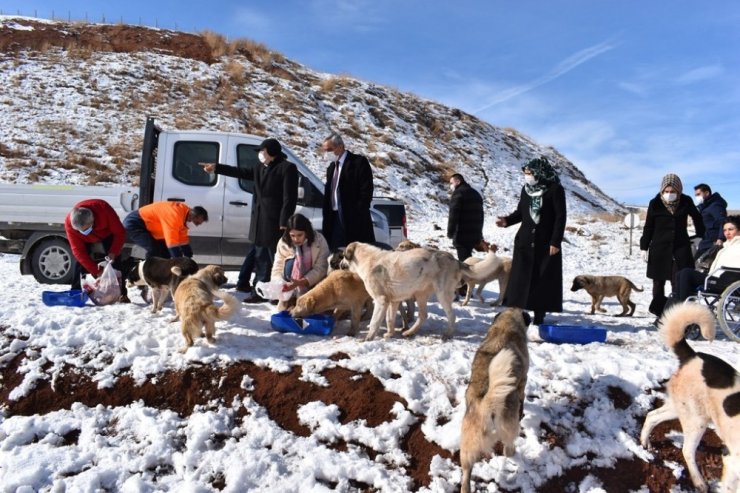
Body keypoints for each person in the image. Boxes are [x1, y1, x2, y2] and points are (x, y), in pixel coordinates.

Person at [203, 138, 298, 303]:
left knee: (275, 258)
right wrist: (217, 168)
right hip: (259, 220)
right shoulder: (260, 167)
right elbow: (241, 172)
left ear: (271, 152)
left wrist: (284, 221)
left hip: (275, 222)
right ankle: (259, 291)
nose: (260, 154)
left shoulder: (287, 168)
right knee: (260, 258)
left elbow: (290, 197)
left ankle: (277, 293)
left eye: (262, 151)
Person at [495, 157, 566, 325]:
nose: (527, 176)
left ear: (540, 173)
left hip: (546, 243)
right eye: (526, 173)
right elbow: (521, 212)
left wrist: (556, 241)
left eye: (530, 173)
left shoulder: (555, 189)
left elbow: (560, 217)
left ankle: (539, 315)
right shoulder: (526, 189)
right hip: (524, 242)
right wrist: (507, 221)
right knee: (520, 279)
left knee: (542, 279)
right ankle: (517, 312)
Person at [640, 173, 704, 318]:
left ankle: (677, 311)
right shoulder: (655, 203)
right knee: (658, 282)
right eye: (667, 192)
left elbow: (697, 218)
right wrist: (644, 246)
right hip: (659, 247)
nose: (670, 194)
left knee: (679, 280)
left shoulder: (686, 201)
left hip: (680, 247)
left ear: (679, 190)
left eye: (673, 192)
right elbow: (648, 226)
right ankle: (659, 311)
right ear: (662, 190)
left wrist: (700, 235)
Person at [65, 199, 131, 302]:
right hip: (83, 241)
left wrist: (113, 252)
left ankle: (122, 294)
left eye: (86, 229)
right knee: (79, 262)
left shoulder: (104, 210)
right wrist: (96, 271)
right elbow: (78, 251)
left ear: (93, 220)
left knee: (116, 262)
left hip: (106, 233)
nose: (84, 232)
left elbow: (120, 233)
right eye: (80, 231)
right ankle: (75, 293)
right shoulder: (70, 224)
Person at [321, 133, 375, 250]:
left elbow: (366, 191)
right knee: (336, 252)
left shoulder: (358, 162)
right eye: (324, 150)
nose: (326, 153)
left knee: (356, 256)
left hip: (353, 219)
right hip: (334, 217)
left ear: (340, 147)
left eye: (329, 150)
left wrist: (357, 212)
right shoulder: (331, 168)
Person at [270, 213, 331, 311]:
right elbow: (278, 266)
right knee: (290, 263)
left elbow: (322, 267)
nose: (296, 239)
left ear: (306, 232)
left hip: (314, 283)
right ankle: (290, 299)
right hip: (290, 284)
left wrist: (302, 282)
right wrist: (279, 283)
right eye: (292, 235)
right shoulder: (284, 242)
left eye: (299, 235)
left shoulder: (319, 240)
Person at [674, 215, 740, 301]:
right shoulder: (727, 245)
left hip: (726, 281)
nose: (727, 233)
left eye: (731, 229)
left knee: (686, 273)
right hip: (716, 277)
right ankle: (678, 304)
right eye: (724, 230)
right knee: (680, 274)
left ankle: (682, 307)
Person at [123, 201, 208, 259]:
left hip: (147, 226)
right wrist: (179, 260)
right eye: (197, 222)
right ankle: (148, 274)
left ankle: (162, 276)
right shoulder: (175, 215)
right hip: (135, 223)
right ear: (195, 216)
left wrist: (188, 255)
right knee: (154, 250)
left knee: (165, 253)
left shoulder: (184, 214)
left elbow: (182, 238)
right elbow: (171, 240)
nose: (197, 225)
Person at [447, 173, 484, 262]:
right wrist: (479, 233)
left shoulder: (458, 193)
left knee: (464, 262)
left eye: (451, 183)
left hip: (462, 233)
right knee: (468, 258)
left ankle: (471, 275)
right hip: (474, 233)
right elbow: (481, 215)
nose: (450, 186)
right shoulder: (476, 193)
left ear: (458, 181)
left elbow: (453, 214)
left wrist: (450, 232)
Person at [693, 183, 727, 258]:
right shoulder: (706, 206)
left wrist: (720, 238)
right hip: (706, 239)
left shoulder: (715, 205)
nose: (696, 197)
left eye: (698, 194)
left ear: (707, 193)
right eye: (695, 195)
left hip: (713, 241)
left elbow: (723, 221)